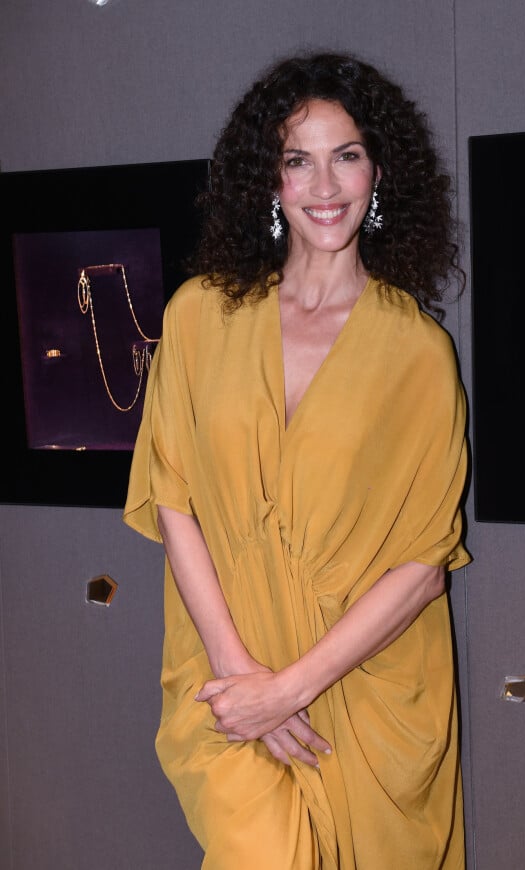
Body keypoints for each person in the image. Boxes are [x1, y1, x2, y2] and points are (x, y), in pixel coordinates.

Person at [123, 50, 471, 870]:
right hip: (226, 659)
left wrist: (292, 688)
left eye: (346, 155)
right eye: (297, 159)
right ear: (267, 180)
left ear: (378, 173)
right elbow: (172, 496)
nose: (324, 186)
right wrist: (245, 676)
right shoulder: (201, 314)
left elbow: (424, 565)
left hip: (363, 683)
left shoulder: (417, 352)